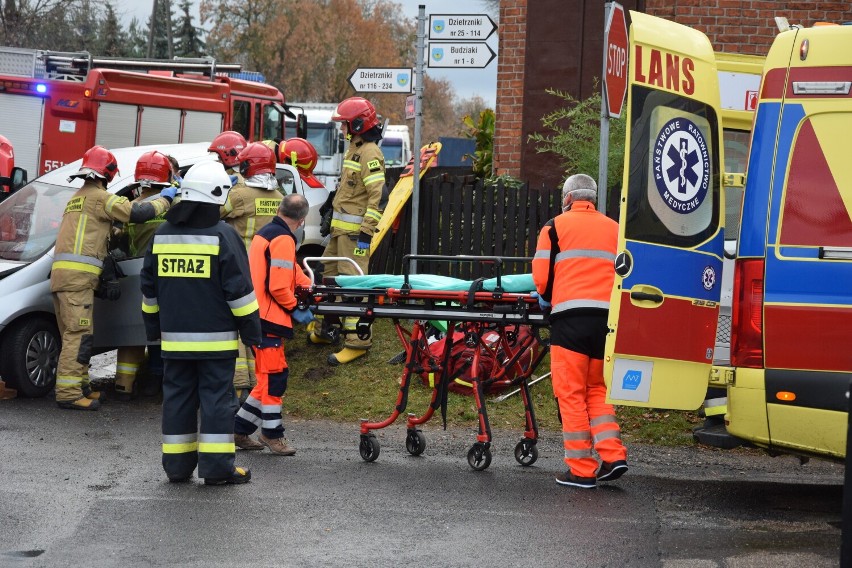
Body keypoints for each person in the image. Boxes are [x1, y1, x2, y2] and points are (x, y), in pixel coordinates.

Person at [140, 159, 261, 485]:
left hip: (173, 343)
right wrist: (253, 332)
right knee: (217, 403)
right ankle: (216, 469)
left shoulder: (162, 235)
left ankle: (177, 469)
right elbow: (240, 292)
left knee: (177, 401)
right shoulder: (224, 235)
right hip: (216, 344)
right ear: (218, 195)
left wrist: (153, 338)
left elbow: (149, 294)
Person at [51, 145, 175, 411]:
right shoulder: (100, 197)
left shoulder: (78, 198)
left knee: (78, 334)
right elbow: (137, 213)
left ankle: (82, 387)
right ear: (107, 174)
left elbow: (98, 236)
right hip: (78, 279)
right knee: (78, 335)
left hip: (65, 277)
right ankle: (69, 393)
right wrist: (166, 198)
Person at [532, 173, 628, 489]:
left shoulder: (554, 227)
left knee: (570, 394)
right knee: (597, 390)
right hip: (606, 323)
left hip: (570, 320)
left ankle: (582, 470)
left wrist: (546, 302)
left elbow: (542, 280)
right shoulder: (615, 229)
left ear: (568, 198)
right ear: (593, 199)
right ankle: (613, 457)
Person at [307, 97, 385, 366]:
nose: (342, 130)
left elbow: (378, 198)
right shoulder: (355, 149)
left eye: (345, 125)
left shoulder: (370, 152)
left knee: (353, 287)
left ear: (358, 124)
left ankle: (358, 343)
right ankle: (327, 330)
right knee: (327, 280)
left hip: (354, 237)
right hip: (340, 234)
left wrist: (365, 233)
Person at [234, 194, 314, 455]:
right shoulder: (283, 239)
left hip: (257, 315)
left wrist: (309, 286)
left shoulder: (265, 233)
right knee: (274, 379)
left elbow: (289, 270)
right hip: (269, 318)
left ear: (280, 210)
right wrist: (295, 308)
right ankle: (272, 435)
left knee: (265, 380)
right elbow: (278, 285)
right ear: (302, 221)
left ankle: (239, 430)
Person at [219, 139, 282, 404]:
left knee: (234, 326)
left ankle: (239, 385)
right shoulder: (279, 198)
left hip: (239, 271)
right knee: (256, 327)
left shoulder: (240, 195)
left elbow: (215, 212)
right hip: (266, 275)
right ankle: (259, 384)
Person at [114, 150, 177, 401]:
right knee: (163, 330)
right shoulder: (176, 203)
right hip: (172, 275)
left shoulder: (131, 207)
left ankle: (124, 385)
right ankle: (157, 378)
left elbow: (121, 241)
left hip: (135, 273)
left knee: (133, 329)